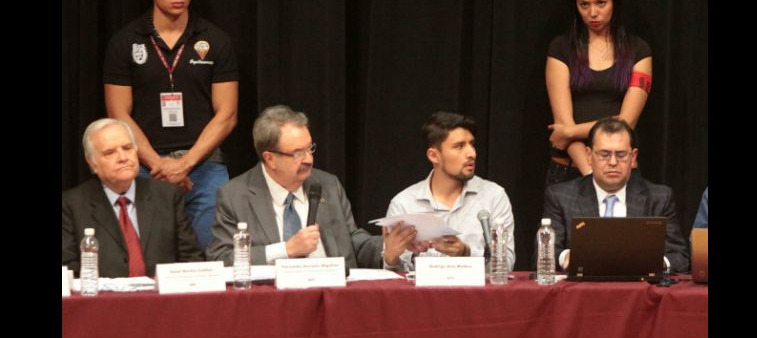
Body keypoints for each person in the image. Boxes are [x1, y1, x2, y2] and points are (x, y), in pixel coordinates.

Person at [103, 0, 239, 249]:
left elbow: (227, 114)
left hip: (205, 167)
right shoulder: (125, 42)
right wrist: (160, 167)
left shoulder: (214, 40)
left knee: (213, 261)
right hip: (142, 167)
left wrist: (185, 164)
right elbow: (117, 114)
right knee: (146, 260)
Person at [206, 105, 391, 268]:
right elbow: (221, 258)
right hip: (273, 300)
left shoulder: (328, 185)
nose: (309, 159)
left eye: (309, 149)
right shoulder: (235, 196)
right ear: (269, 159)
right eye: (297, 153)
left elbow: (350, 240)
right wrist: (286, 249)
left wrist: (386, 247)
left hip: (331, 293)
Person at [545, 0, 652, 186]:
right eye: (584, 5)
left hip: (620, 173)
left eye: (600, 3)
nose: (593, 13)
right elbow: (562, 123)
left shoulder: (638, 51)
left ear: (614, 2)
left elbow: (626, 122)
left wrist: (571, 131)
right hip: (570, 169)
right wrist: (591, 177)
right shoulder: (561, 48)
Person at [540, 117, 689, 273]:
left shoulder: (658, 198)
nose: (612, 162)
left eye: (621, 154)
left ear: (633, 157)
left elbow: (680, 257)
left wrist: (655, 262)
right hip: (582, 293)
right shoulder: (561, 196)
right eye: (604, 154)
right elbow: (542, 254)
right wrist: (566, 258)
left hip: (639, 293)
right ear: (589, 156)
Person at [62, 119, 204, 277]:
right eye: (110, 152)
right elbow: (68, 270)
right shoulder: (72, 205)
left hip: (160, 298)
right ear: (92, 163)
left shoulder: (168, 197)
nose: (123, 157)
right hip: (103, 299)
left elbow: (192, 260)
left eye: (127, 148)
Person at [384, 112, 515, 271]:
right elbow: (394, 283)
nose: (471, 153)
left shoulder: (494, 196)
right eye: (459, 146)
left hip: (476, 295)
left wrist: (467, 254)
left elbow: (506, 265)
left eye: (472, 144)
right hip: (422, 295)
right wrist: (390, 259)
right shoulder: (404, 203)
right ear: (434, 155)